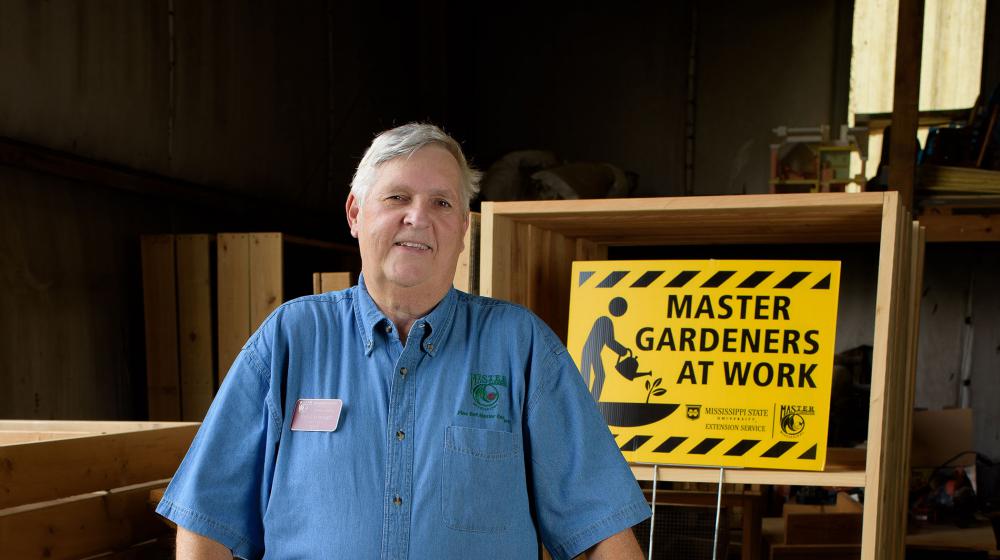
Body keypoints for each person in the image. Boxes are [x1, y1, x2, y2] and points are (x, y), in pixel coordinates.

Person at [156, 123, 650, 559]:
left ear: (463, 228)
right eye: (397, 198)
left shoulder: (521, 348)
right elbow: (206, 521)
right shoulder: (289, 340)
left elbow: (601, 532)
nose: (419, 217)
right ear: (355, 213)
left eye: (442, 202)